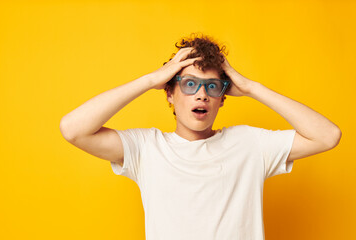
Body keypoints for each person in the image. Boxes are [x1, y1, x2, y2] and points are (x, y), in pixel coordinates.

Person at [60, 33, 342, 240]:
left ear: (222, 98)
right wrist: (150, 81)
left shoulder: (249, 145)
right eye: (190, 84)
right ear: (169, 93)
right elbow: (73, 129)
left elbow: (328, 136)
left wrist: (252, 87)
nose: (202, 94)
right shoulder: (147, 148)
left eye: (212, 87)